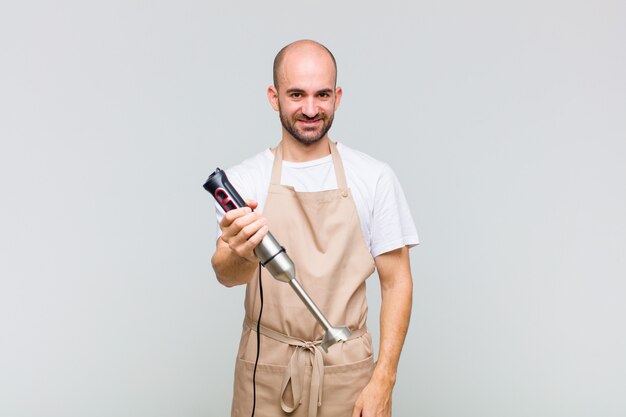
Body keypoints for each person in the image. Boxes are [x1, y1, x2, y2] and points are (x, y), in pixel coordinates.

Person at [211, 39, 418, 417]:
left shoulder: (374, 178)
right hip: (267, 372)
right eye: (296, 94)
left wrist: (383, 381)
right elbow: (226, 274)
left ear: (337, 97)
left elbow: (397, 281)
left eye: (322, 94)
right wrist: (242, 251)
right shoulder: (244, 182)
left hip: (349, 372)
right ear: (274, 98)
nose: (310, 109)